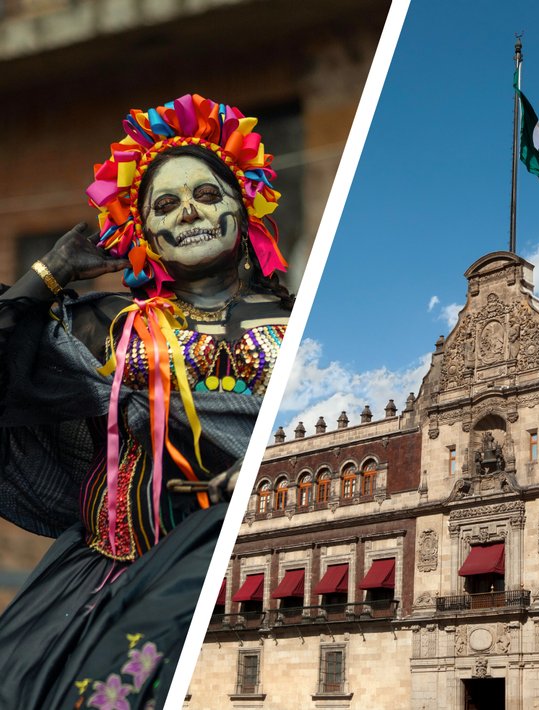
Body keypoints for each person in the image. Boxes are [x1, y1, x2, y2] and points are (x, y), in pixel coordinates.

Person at [0, 94, 293, 708]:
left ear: (245, 206)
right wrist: (48, 273)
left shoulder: (299, 322)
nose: (189, 212)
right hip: (111, 583)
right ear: (145, 231)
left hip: (239, 569)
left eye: (208, 195)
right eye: (165, 204)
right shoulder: (112, 325)